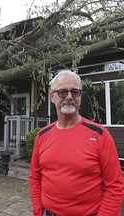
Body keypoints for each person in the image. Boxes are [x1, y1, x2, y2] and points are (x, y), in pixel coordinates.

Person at [29, 70, 124, 216]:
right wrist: (38, 211)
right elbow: (35, 177)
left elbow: (115, 186)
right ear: (52, 97)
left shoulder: (99, 135)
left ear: (80, 96)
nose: (69, 97)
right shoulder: (42, 136)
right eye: (62, 92)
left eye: (75, 92)